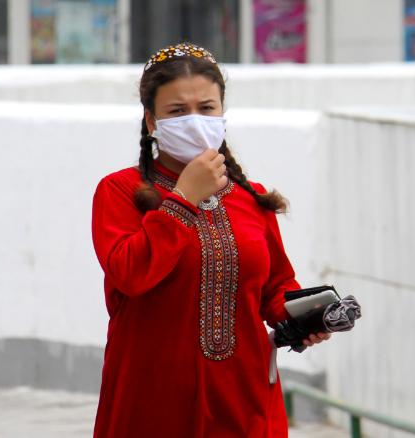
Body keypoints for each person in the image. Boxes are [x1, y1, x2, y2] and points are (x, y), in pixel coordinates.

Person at [90, 43, 330, 437]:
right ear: (152, 121)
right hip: (153, 402)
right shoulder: (119, 191)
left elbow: (274, 287)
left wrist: (304, 317)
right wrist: (183, 199)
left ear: (222, 113)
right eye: (177, 111)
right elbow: (130, 274)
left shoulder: (251, 195)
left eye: (206, 108)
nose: (195, 120)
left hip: (243, 398)